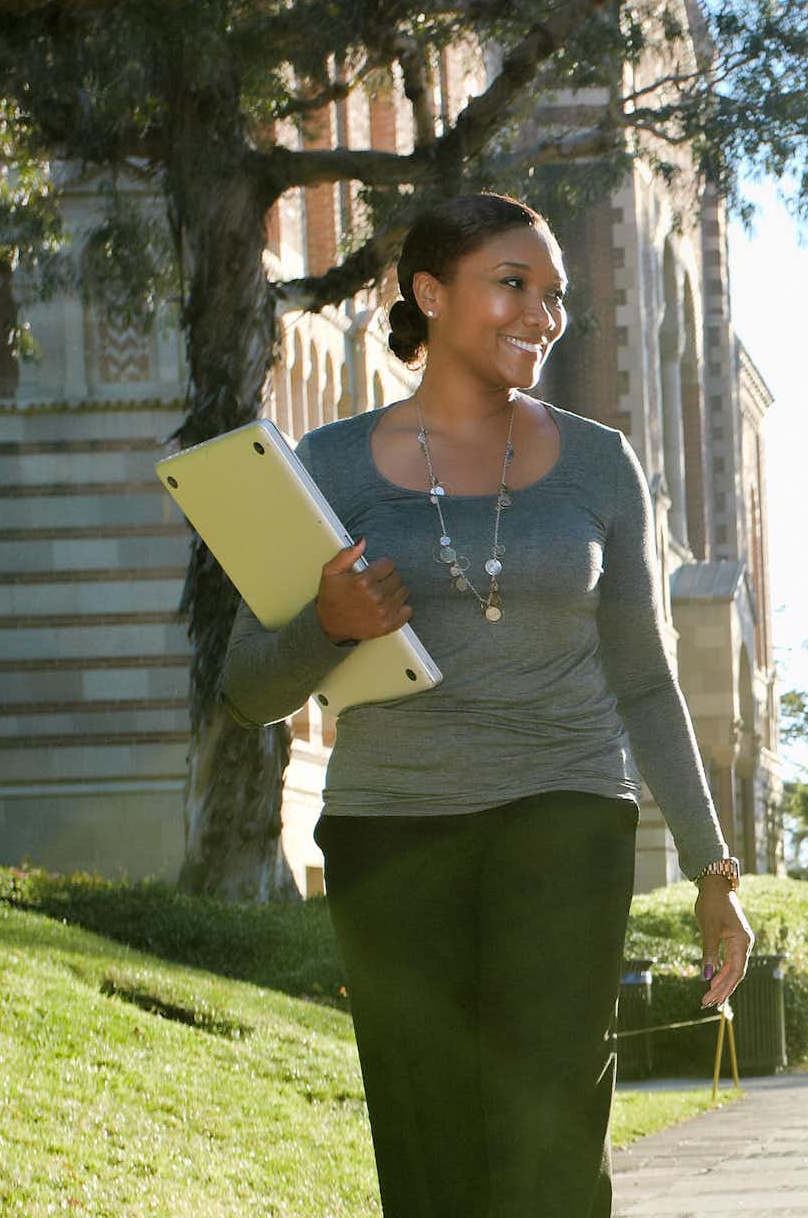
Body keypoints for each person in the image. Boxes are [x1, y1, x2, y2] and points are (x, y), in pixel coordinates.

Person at [219, 193, 753, 1218]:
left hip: (566, 807)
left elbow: (643, 674)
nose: (541, 315)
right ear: (430, 293)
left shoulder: (600, 462)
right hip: (391, 829)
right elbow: (248, 689)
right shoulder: (328, 465)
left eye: (553, 295)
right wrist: (325, 623)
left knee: (549, 1126)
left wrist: (710, 868)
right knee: (428, 1145)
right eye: (512, 284)